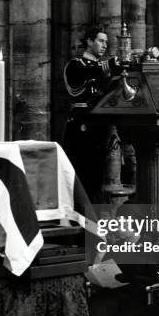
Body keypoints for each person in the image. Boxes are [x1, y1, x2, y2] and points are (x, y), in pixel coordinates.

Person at [62, 26, 122, 201]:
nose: (104, 45)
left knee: (97, 177)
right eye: (100, 41)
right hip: (81, 127)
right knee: (80, 174)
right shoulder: (75, 65)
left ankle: (93, 221)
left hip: (100, 127)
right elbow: (90, 71)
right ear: (89, 41)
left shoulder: (102, 69)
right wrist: (114, 62)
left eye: (106, 42)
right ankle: (79, 220)